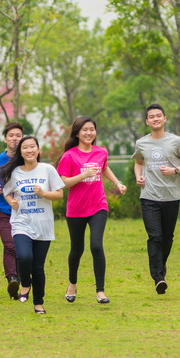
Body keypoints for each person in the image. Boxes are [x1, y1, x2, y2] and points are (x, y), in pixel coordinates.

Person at [57, 117, 127, 305]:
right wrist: (83, 175)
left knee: (96, 245)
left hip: (98, 206)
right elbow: (63, 182)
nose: (89, 133)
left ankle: (100, 291)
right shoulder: (69, 156)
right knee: (77, 249)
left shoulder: (101, 152)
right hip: (76, 209)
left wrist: (118, 183)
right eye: (85, 130)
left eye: (92, 129)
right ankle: (72, 283)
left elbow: (104, 168)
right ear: (77, 133)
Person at [132, 103, 180, 295]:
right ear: (147, 121)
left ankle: (160, 266)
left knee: (167, 239)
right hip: (149, 196)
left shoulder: (176, 141)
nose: (155, 119)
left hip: (171, 197)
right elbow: (138, 162)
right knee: (155, 237)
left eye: (159, 116)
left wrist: (174, 170)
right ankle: (158, 277)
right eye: (151, 116)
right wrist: (138, 176)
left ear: (165, 119)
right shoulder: (141, 143)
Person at [0, 136, 65, 314]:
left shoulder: (48, 170)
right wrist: (11, 202)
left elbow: (59, 194)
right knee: (24, 257)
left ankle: (38, 303)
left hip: (43, 224)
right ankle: (25, 283)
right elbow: (7, 192)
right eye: (25, 147)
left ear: (38, 149)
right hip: (21, 222)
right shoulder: (15, 172)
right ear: (20, 152)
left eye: (32, 147)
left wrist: (43, 193)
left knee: (38, 267)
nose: (29, 150)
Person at [0, 122, 24, 299]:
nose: (15, 139)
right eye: (11, 135)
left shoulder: (27, 158)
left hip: (25, 210)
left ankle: (22, 277)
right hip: (3, 209)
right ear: (5, 139)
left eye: (18, 135)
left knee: (22, 247)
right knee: (9, 245)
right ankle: (12, 279)